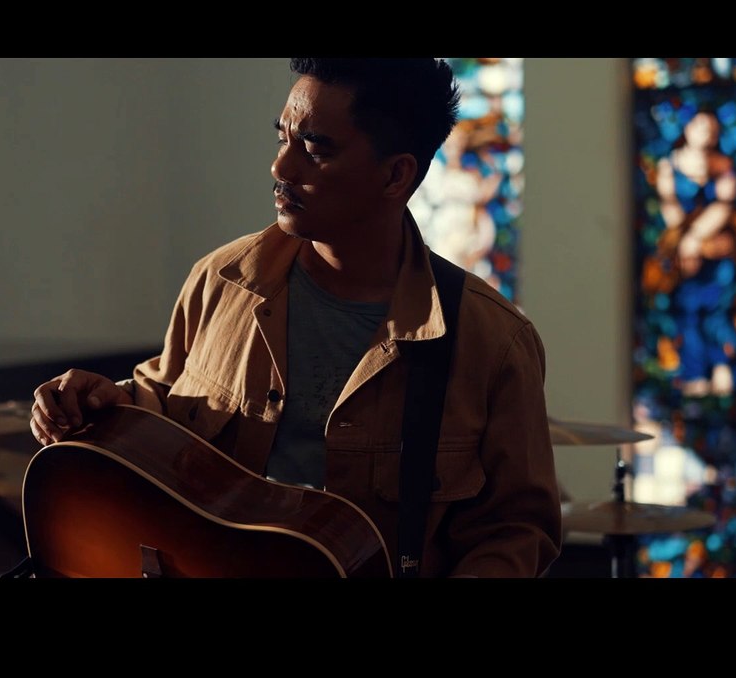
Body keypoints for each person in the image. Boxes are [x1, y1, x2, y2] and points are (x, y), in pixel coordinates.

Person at [30, 58, 562, 578]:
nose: (281, 168)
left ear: (396, 174)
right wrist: (105, 404)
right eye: (282, 139)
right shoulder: (221, 279)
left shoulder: (493, 342)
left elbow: (514, 531)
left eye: (315, 149)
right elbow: (162, 406)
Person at [651, 109, 736, 398]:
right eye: (699, 125)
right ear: (687, 129)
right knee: (686, 312)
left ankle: (723, 368)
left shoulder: (723, 165)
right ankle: (694, 374)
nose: (704, 132)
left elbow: (723, 206)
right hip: (683, 257)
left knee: (717, 311)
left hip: (715, 251)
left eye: (711, 128)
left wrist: (696, 239)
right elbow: (669, 203)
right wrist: (683, 241)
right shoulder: (669, 164)